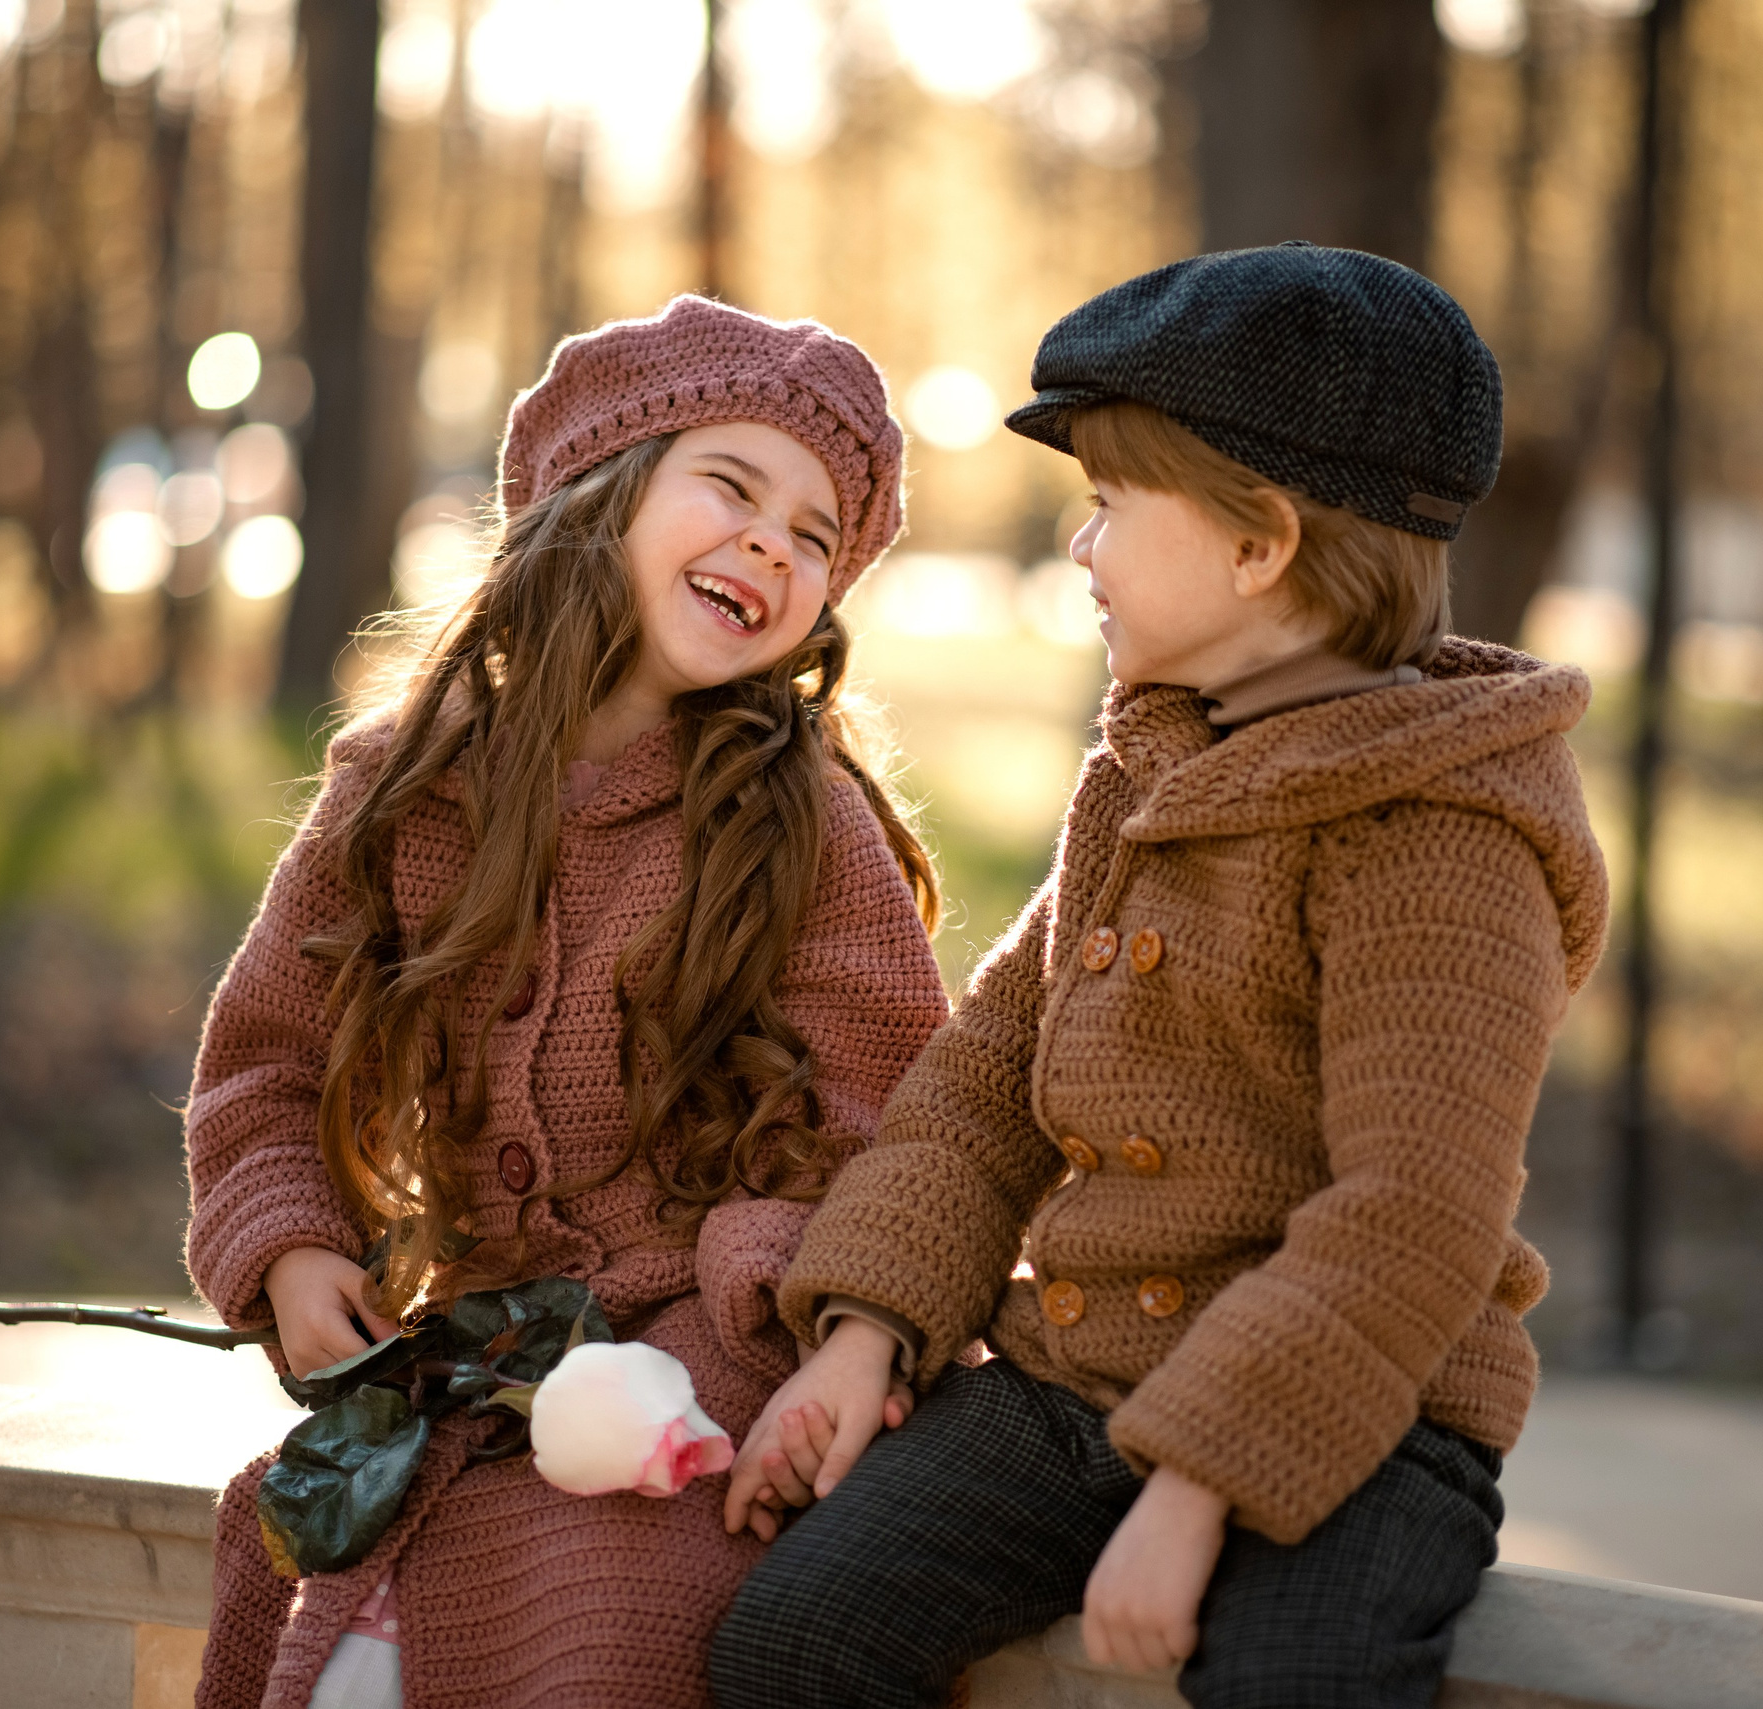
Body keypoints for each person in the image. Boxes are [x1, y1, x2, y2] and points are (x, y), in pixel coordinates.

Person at [709, 244, 1611, 1709]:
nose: (1082, 550)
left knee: (1290, 1679)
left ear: (1260, 544)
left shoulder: (1442, 834)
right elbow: (986, 1082)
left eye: (1111, 507)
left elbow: (1413, 1213)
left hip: (1360, 1410)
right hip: (1076, 1378)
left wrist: (1194, 1488)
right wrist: (866, 1333)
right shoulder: (1152, 768)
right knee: (793, 1635)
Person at [184, 295, 952, 1709]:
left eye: (815, 536)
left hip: (707, 1362)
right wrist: (290, 1252)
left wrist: (763, 1293)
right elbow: (262, 1066)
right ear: (605, 484)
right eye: (732, 486)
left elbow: (894, 1131)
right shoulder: (407, 784)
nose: (771, 545)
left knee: (597, 1608)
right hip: (459, 1354)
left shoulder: (807, 826)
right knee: (312, 1601)